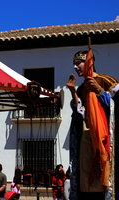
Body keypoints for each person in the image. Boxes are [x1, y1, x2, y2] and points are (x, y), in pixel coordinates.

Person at [66, 50, 119, 200]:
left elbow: (116, 104)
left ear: (90, 62)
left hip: (105, 137)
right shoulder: (81, 88)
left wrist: (100, 91)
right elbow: (81, 113)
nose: (75, 67)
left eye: (78, 63)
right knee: (86, 179)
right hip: (87, 138)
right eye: (74, 64)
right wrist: (72, 91)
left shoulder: (107, 81)